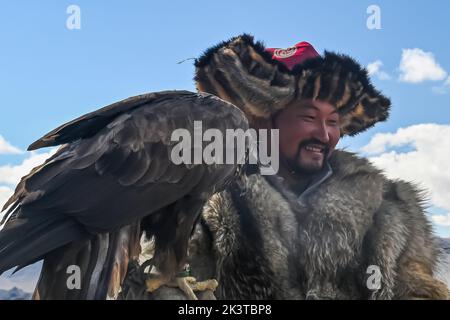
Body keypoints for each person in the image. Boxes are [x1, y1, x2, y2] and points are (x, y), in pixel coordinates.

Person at [127, 34, 449, 300]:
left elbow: (416, 289)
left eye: (334, 121)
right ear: (263, 120)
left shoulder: (389, 209)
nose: (324, 134)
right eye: (309, 117)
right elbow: (170, 290)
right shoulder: (206, 200)